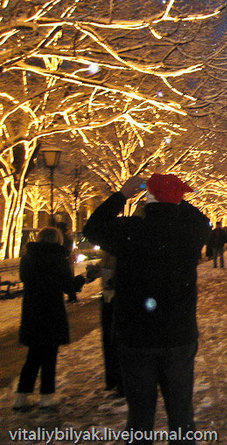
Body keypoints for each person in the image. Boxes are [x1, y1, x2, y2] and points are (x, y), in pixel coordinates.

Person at [82, 173, 210, 444]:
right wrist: (175, 198)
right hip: (178, 335)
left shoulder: (129, 231)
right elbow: (203, 222)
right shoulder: (188, 234)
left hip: (135, 336)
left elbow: (92, 228)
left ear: (147, 201)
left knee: (139, 415)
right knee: (181, 414)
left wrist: (122, 195)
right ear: (177, 201)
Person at [14, 227, 79, 411]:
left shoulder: (28, 258)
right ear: (57, 240)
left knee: (33, 355)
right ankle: (46, 394)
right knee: (49, 355)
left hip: (32, 312)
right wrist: (83, 279)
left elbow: (24, 277)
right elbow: (68, 286)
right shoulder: (58, 259)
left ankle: (22, 395)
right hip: (51, 312)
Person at [86, 250, 123, 395]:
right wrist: (93, 272)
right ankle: (113, 379)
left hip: (117, 300)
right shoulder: (107, 256)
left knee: (115, 341)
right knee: (109, 340)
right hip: (108, 299)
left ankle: (118, 380)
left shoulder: (119, 253)